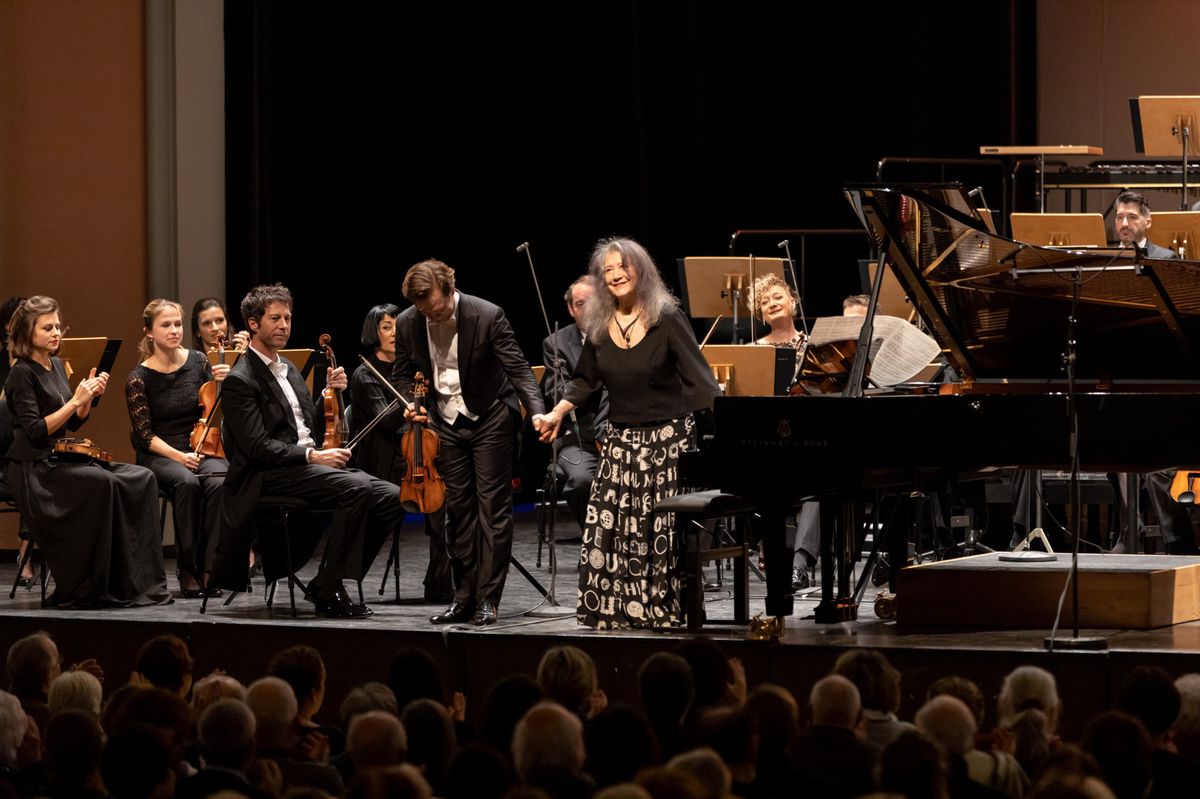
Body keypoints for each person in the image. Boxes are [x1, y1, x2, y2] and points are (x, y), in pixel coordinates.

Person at [536, 237, 720, 630]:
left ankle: (664, 608)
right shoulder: (601, 324)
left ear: (642, 271)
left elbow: (701, 382)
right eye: (609, 270)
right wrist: (556, 413)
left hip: (668, 441)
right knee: (612, 529)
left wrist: (722, 434)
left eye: (624, 267)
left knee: (661, 531)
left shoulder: (667, 318)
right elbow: (584, 381)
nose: (617, 275)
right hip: (621, 444)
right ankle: (618, 610)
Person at [207, 283, 403, 618]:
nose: (284, 325)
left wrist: (330, 392)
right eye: (275, 318)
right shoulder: (241, 379)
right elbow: (257, 447)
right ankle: (331, 588)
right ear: (253, 323)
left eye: (287, 318)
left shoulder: (289, 369)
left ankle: (326, 579)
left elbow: (305, 427)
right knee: (357, 487)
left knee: (393, 497)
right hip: (268, 474)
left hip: (305, 468)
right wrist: (314, 456)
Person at [395, 259, 544, 627]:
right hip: (444, 421)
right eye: (424, 311)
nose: (431, 316)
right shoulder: (408, 321)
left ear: (451, 289)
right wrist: (411, 404)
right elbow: (402, 373)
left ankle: (488, 599)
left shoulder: (488, 315)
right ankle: (463, 597)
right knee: (457, 512)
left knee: (492, 509)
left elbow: (518, 369)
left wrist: (537, 412)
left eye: (437, 309)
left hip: (489, 416)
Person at [3, 296, 170, 609]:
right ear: (27, 332)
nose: (56, 333)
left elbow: (73, 424)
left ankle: (136, 582)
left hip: (58, 458)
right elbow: (36, 430)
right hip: (34, 467)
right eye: (47, 328)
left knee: (142, 477)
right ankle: (95, 584)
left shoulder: (54, 364)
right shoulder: (21, 373)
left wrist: (87, 399)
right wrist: (75, 401)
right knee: (103, 484)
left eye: (58, 326)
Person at [125, 299, 227, 598]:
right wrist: (180, 457)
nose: (174, 330)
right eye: (166, 325)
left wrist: (224, 383)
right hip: (160, 453)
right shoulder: (138, 378)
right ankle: (188, 567)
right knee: (187, 483)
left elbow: (214, 408)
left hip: (199, 445)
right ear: (149, 332)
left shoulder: (198, 361)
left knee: (220, 480)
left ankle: (209, 566)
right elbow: (145, 436)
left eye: (178, 324)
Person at [350, 303, 451, 602]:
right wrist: (412, 395)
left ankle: (440, 582)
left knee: (446, 502)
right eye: (386, 327)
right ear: (374, 333)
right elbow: (387, 421)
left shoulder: (412, 369)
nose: (395, 333)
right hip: (384, 460)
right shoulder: (365, 374)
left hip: (418, 457)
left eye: (398, 326)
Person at [752, 273, 818, 591]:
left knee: (821, 484)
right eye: (765, 302)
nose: (772, 303)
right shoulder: (752, 351)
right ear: (761, 315)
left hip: (809, 440)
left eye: (777, 296)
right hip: (766, 442)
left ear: (793, 301)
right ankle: (771, 548)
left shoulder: (815, 346)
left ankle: (799, 565)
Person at [541, 277, 607, 533]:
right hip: (578, 439)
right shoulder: (555, 343)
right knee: (582, 481)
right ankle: (596, 539)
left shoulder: (617, 334)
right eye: (580, 304)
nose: (587, 310)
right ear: (571, 308)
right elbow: (558, 392)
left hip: (619, 433)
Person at [1115, 190, 1177, 259]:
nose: (1124, 224)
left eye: (1132, 217)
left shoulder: (1165, 257)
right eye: (1119, 217)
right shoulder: (1106, 257)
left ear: (1147, 223)